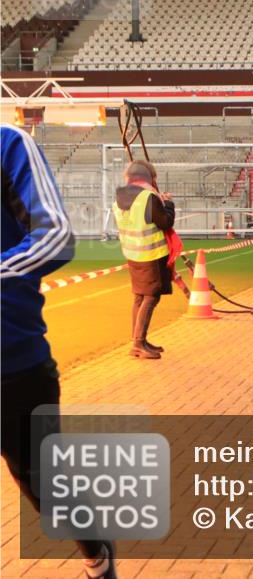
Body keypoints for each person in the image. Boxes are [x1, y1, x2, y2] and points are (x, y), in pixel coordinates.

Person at [1, 124, 118, 579]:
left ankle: (96, 553)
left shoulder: (9, 144)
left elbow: (56, 237)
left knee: (43, 482)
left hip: (13, 362)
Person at [113, 159, 175, 360]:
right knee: (150, 296)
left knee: (140, 296)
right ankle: (138, 344)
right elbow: (165, 222)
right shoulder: (148, 197)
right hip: (150, 255)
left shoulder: (119, 198)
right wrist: (168, 204)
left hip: (133, 254)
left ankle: (138, 340)